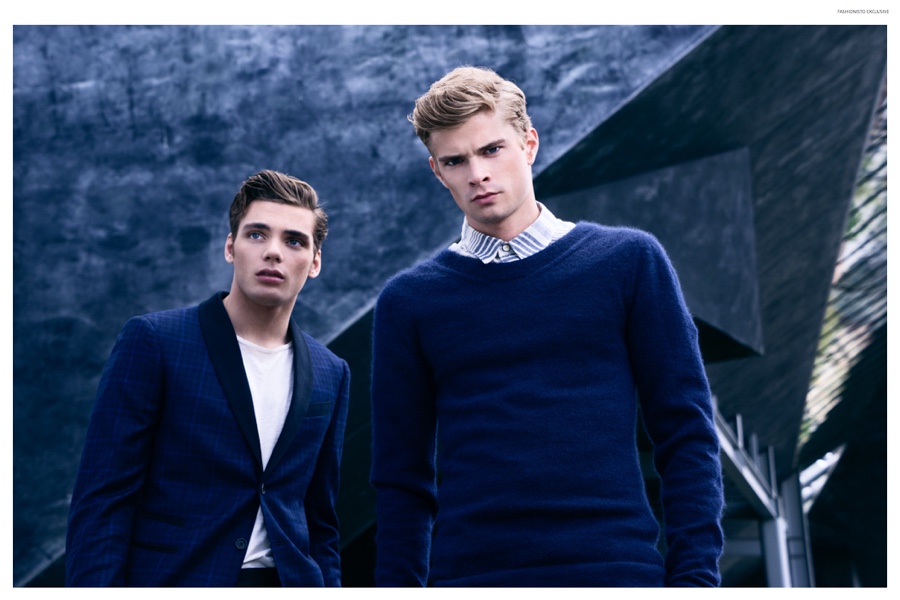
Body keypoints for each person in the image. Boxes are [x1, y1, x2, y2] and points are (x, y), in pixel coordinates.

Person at [370, 66, 724, 587]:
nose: (477, 174)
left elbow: (686, 431)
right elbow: (401, 477)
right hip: (470, 581)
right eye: (456, 160)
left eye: (492, 150)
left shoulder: (627, 262)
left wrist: (695, 582)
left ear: (529, 144)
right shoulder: (409, 301)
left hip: (616, 574)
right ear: (437, 172)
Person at [66, 170, 350, 587]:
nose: (273, 252)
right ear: (231, 247)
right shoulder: (156, 341)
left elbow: (320, 520)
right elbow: (103, 499)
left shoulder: (331, 371)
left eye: (294, 241)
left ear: (315, 262)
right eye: (257, 235)